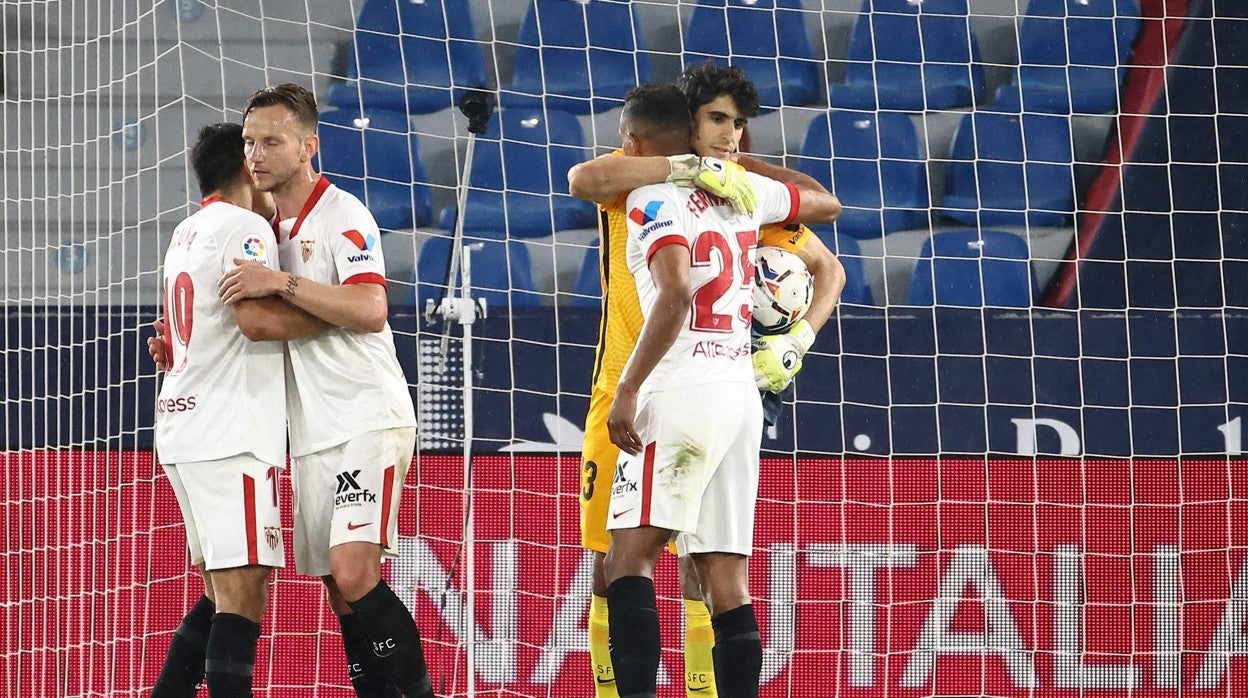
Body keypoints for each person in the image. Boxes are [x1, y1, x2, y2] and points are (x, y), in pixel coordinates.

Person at [566, 66, 845, 697]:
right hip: (731, 392)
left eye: (738, 124)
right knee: (721, 574)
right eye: (718, 121)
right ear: (688, 125)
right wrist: (696, 168)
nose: (731, 135)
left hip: (666, 384)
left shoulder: (678, 194)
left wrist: (797, 340)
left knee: (627, 559)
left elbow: (678, 292)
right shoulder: (656, 174)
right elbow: (586, 177)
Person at [213, 83, 434, 698]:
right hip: (310, 430)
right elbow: (263, 328)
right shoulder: (259, 227)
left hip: (366, 412)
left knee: (353, 570)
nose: (256, 154)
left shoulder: (344, 215)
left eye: (272, 141)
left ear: (310, 145)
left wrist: (280, 281)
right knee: (338, 592)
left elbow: (370, 308)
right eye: (250, 142)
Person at [151, 122, 324, 697]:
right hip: (229, 431)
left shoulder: (186, 231)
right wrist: (345, 317)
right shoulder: (246, 226)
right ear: (246, 169)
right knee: (245, 592)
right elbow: (254, 321)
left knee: (221, 592)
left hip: (184, 423)